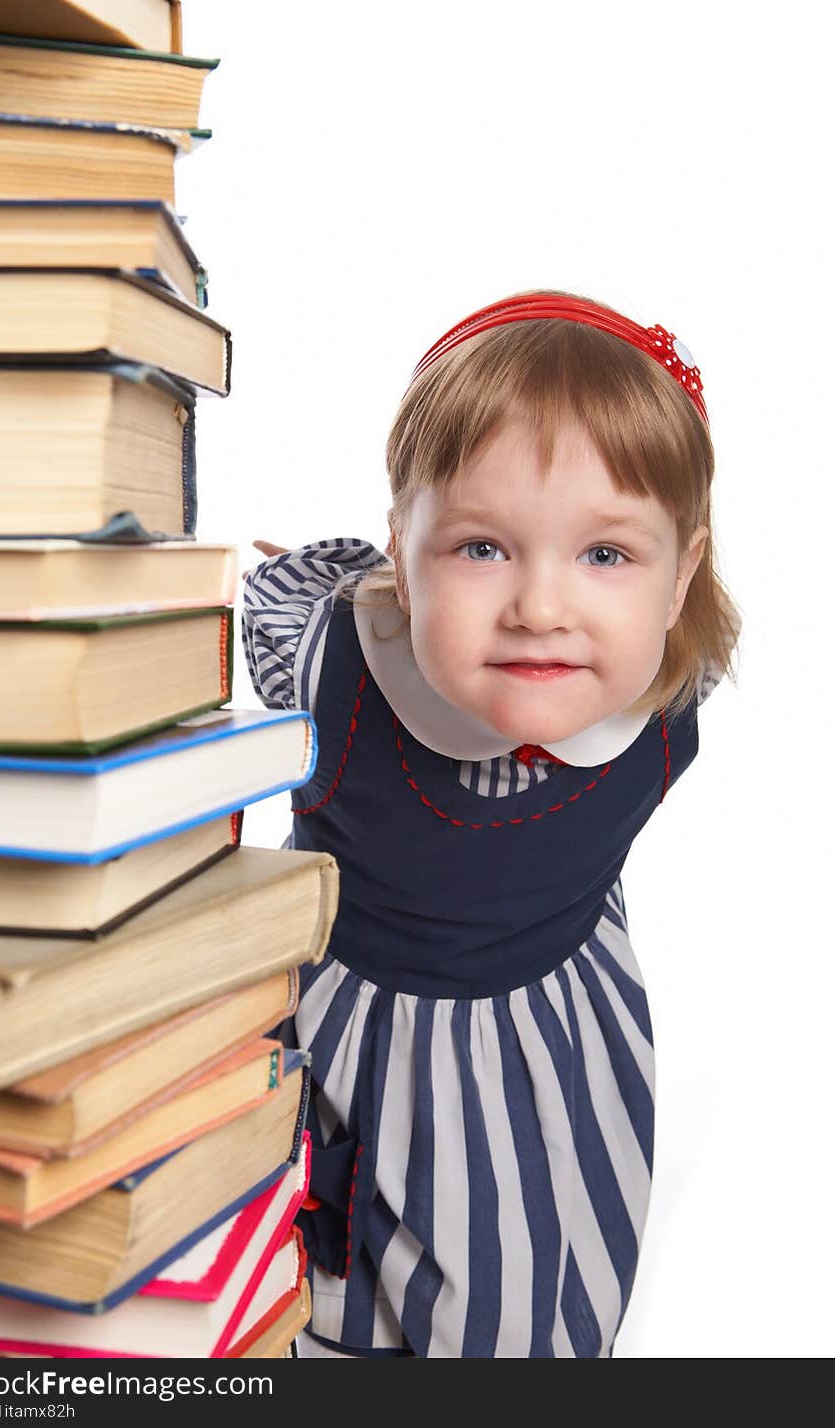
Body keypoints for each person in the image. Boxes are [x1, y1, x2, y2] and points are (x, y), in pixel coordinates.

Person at [242, 290, 741, 1359]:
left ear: (678, 575)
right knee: (275, 1249)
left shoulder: (668, 698)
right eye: (480, 549)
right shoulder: (335, 666)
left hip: (544, 1016)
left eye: (605, 555)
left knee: (510, 1285)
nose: (540, 607)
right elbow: (286, 601)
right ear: (402, 553)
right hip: (341, 1003)